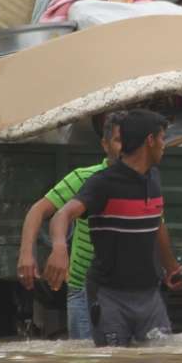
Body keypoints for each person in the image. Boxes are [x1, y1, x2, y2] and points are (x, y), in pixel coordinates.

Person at [45, 109, 182, 347]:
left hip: (150, 297)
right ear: (149, 141)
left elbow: (156, 224)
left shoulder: (154, 179)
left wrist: (171, 266)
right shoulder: (102, 183)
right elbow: (62, 214)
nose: (165, 145)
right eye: (162, 138)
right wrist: (59, 248)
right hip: (109, 298)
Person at [16, 113, 125, 340]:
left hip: (125, 292)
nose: (125, 148)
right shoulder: (85, 178)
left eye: (130, 140)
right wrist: (27, 254)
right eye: (118, 140)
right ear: (105, 145)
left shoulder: (145, 182)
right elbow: (38, 210)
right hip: (84, 290)